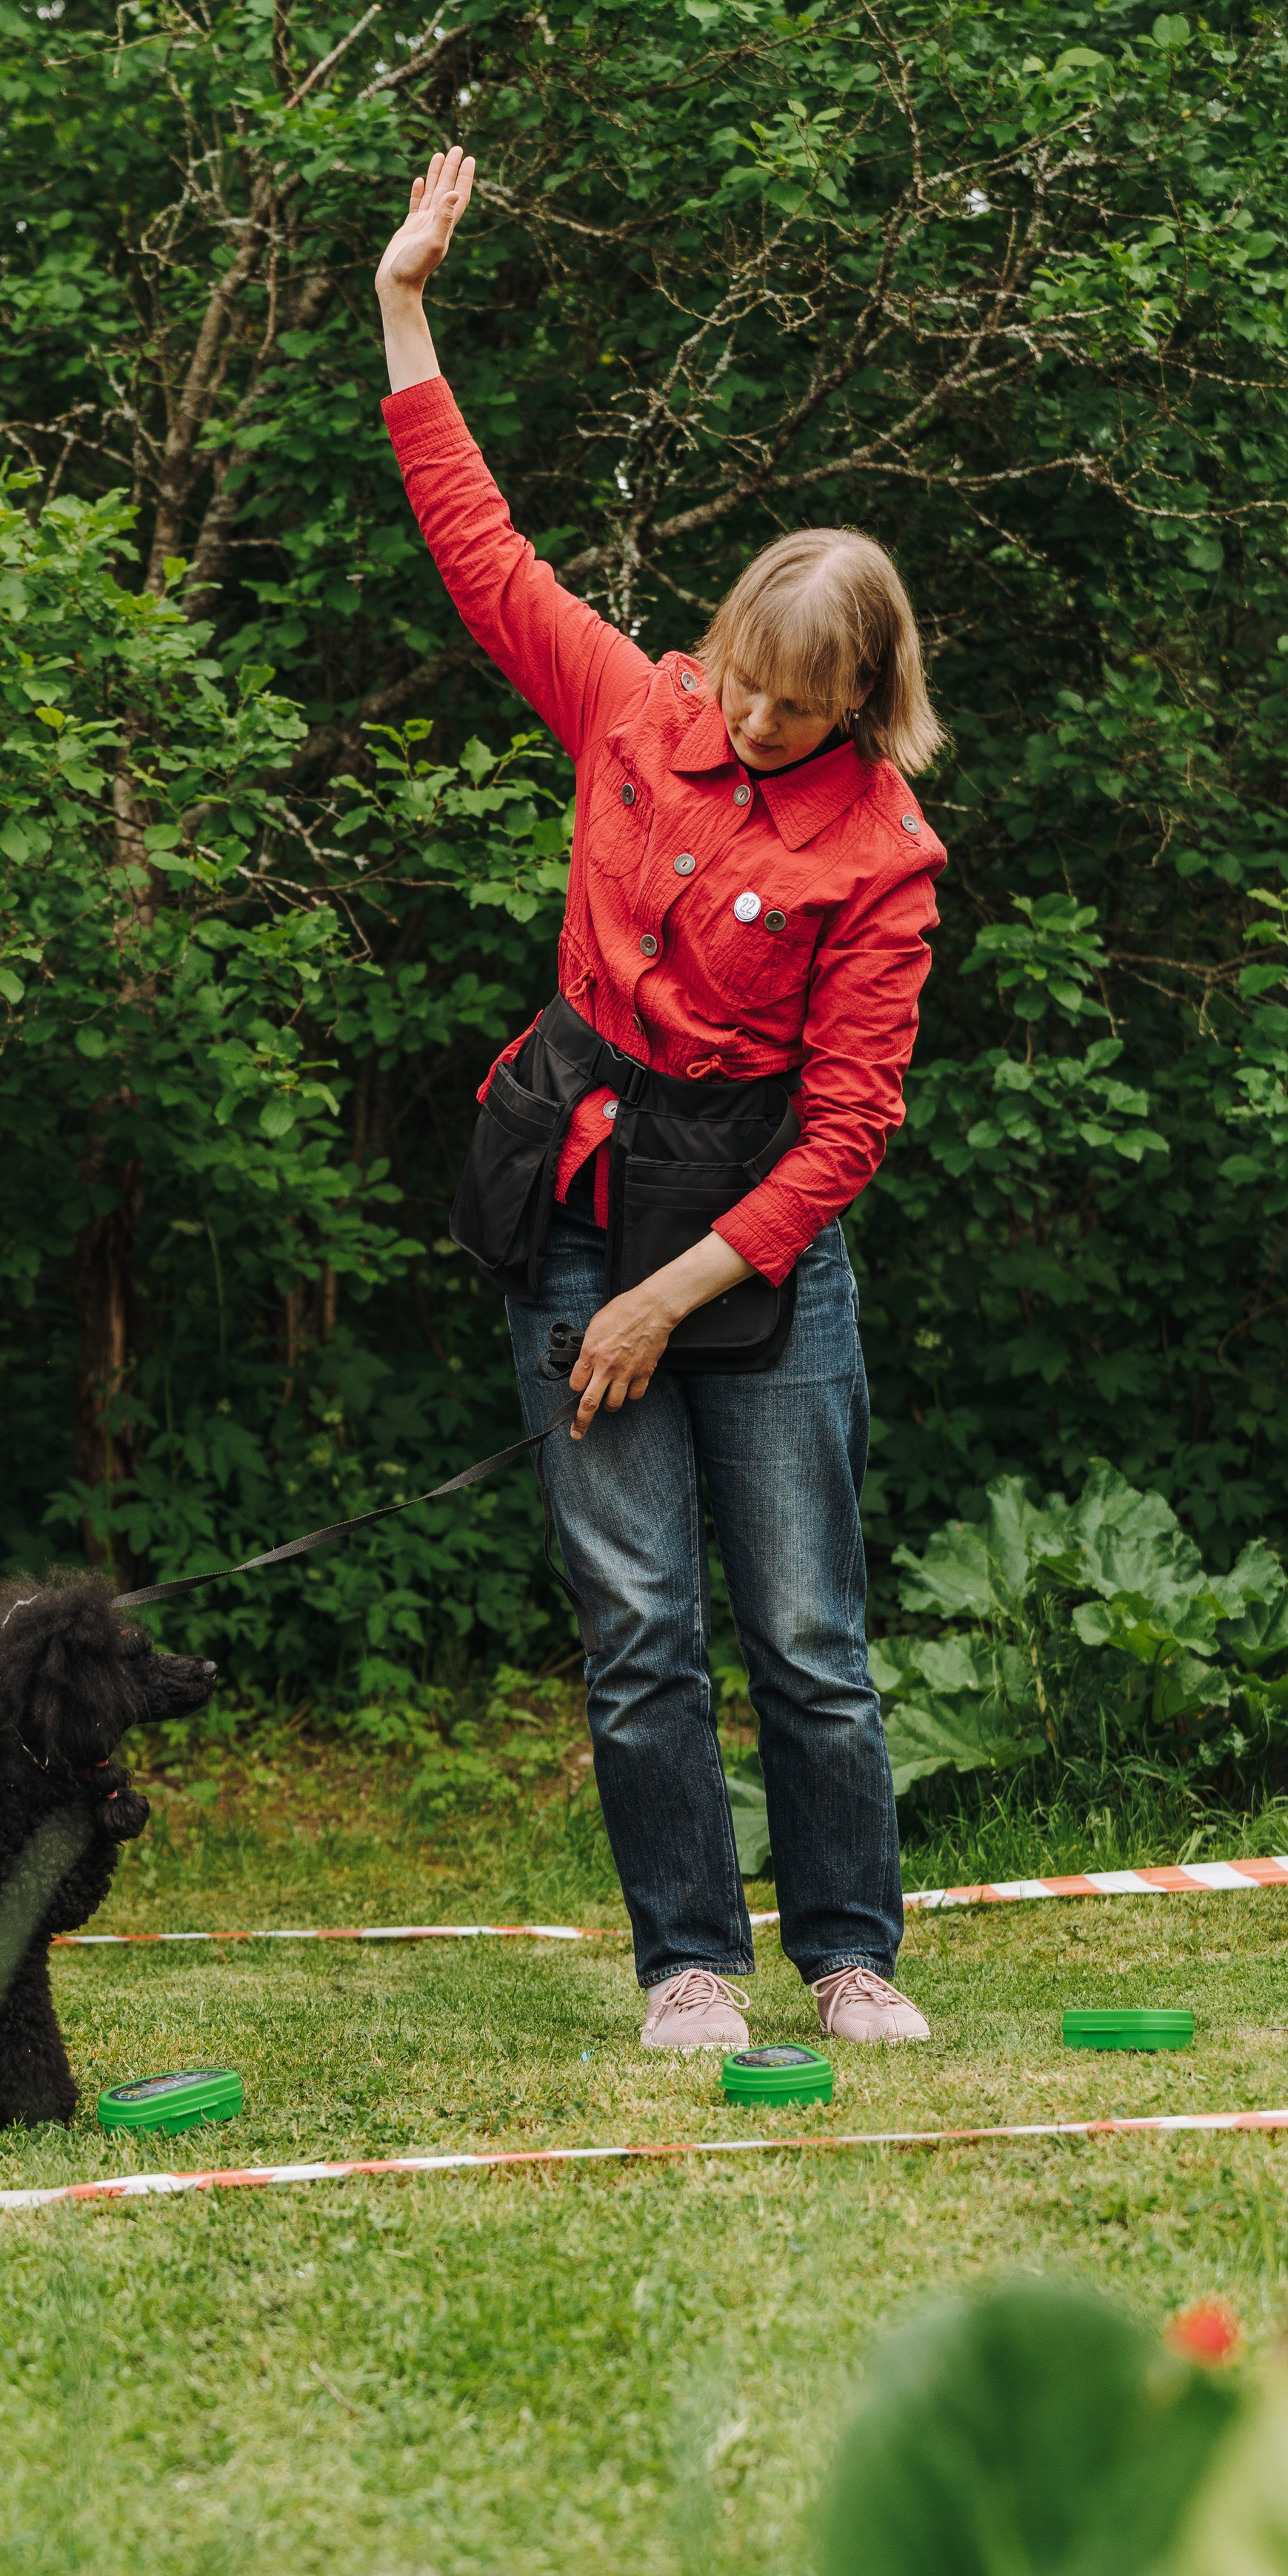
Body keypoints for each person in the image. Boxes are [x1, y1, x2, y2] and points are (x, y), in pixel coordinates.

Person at [373, 147, 948, 2050]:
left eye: (798, 705)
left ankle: (848, 1952)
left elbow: (847, 1132)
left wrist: (668, 1292)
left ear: (860, 693)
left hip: (754, 1248)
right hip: (575, 1193)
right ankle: (684, 1963)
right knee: (635, 1632)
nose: (752, 722)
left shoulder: (882, 851)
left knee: (805, 1637)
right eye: (743, 685)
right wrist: (404, 303)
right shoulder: (634, 706)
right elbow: (483, 548)